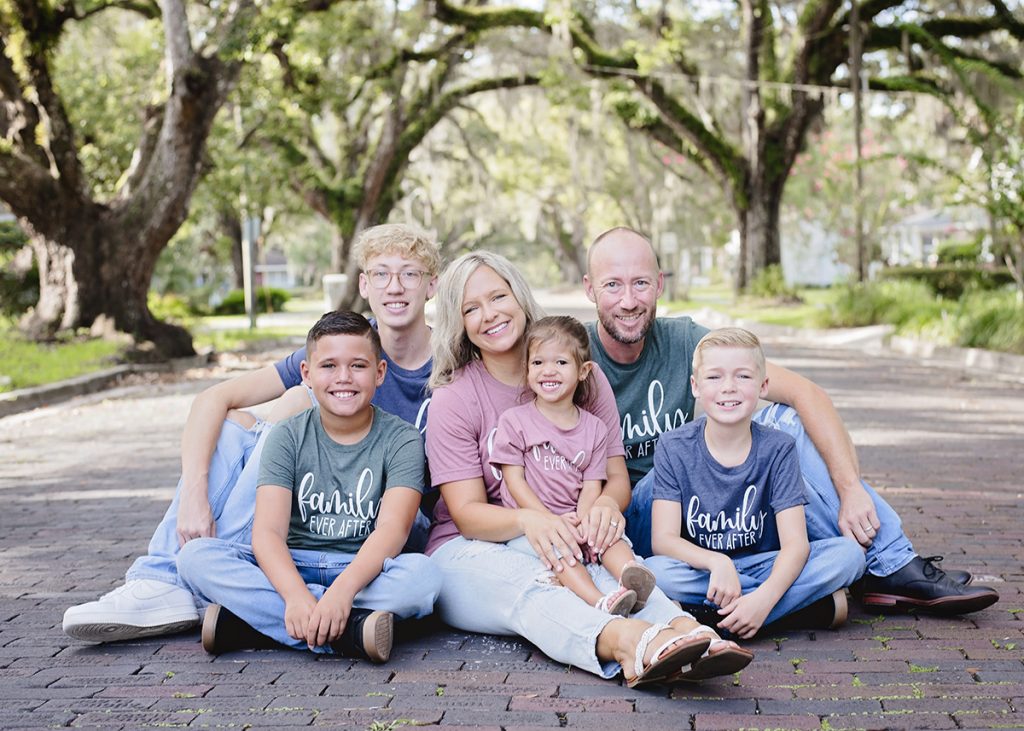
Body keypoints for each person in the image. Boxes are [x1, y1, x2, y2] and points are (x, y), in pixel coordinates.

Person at [583, 226, 999, 616]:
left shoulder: (687, 340)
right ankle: (806, 598)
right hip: (638, 520)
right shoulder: (571, 353)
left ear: (659, 283)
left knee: (783, 426)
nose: (628, 301)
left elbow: (807, 394)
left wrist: (850, 489)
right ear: (589, 289)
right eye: (612, 285)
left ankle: (888, 560)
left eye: (639, 283)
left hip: (718, 516)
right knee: (672, 464)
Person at [63, 224, 440, 642]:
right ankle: (163, 577)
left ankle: (255, 618)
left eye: (410, 273)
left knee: (422, 580)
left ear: (431, 286)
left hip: (383, 525)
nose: (395, 286)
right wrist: (194, 494)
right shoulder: (343, 343)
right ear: (364, 285)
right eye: (382, 274)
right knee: (241, 426)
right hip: (305, 524)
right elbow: (213, 399)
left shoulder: (451, 362)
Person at [424, 251, 753, 687]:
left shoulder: (581, 377)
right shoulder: (455, 397)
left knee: (614, 565)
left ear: (520, 297)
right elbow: (465, 512)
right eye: (471, 308)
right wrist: (531, 520)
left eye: (498, 296)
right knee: (538, 578)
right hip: (470, 549)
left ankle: (689, 633)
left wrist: (602, 508)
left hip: (569, 529)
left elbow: (615, 477)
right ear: (458, 321)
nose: (489, 315)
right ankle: (630, 643)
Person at [176, 311, 441, 659]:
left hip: (362, 569)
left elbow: (392, 530)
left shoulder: (402, 439)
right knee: (196, 557)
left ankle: (254, 624)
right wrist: (295, 595)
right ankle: (350, 633)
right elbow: (267, 533)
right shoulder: (288, 434)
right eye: (328, 366)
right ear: (307, 373)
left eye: (358, 366)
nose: (343, 378)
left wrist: (342, 592)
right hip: (293, 564)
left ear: (380, 373)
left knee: (424, 579)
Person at [647, 328, 865, 637]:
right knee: (656, 571)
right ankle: (804, 611)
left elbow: (795, 545)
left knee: (849, 556)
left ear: (763, 386)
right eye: (714, 377)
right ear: (695, 386)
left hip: (765, 566)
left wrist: (764, 599)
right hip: (705, 572)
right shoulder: (674, 446)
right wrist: (717, 563)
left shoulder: (779, 448)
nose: (729, 388)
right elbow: (664, 540)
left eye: (743, 377)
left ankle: (710, 618)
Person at [492, 315, 659, 617]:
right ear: (527, 369)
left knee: (607, 534)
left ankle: (631, 574)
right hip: (533, 523)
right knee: (560, 550)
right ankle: (598, 600)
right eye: (538, 363)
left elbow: (593, 484)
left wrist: (585, 522)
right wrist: (546, 520)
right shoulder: (515, 422)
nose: (548, 371)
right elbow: (514, 482)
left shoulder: (594, 429)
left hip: (575, 516)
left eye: (561, 363)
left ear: (583, 371)